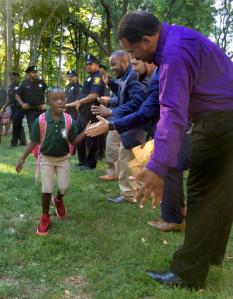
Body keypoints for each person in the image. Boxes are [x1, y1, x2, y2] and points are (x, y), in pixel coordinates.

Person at [87, 11, 233, 288]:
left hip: (219, 120)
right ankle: (208, 255)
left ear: (146, 39)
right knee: (219, 193)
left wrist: (158, 166)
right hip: (224, 116)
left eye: (133, 52)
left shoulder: (174, 55)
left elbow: (172, 113)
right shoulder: (178, 38)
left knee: (202, 191)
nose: (136, 59)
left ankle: (188, 273)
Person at [88, 59, 188, 231]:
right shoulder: (153, 75)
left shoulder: (155, 79)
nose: (134, 69)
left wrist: (111, 123)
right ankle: (180, 210)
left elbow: (143, 112)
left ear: (148, 62)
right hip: (176, 129)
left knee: (169, 171)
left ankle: (173, 220)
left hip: (173, 131)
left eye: (135, 63)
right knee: (174, 170)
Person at [16, 87, 88, 236]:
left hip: (63, 159)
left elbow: (73, 140)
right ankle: (45, 217)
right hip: (46, 159)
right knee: (46, 188)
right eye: (55, 99)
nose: (60, 102)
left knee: (64, 186)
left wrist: (85, 132)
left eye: (62, 98)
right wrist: (22, 158)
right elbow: (33, 142)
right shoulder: (41, 121)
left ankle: (58, 199)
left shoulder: (69, 120)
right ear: (48, 102)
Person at [92, 50, 148, 203]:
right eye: (111, 65)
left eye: (114, 65)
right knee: (137, 159)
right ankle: (140, 189)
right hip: (134, 124)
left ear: (125, 62)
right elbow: (124, 94)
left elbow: (137, 101)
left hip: (134, 125)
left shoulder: (133, 76)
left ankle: (128, 194)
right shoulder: (125, 76)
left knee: (125, 158)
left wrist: (111, 111)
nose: (112, 68)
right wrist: (109, 82)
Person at [66, 54, 105, 170]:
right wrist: (79, 102)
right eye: (87, 64)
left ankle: (90, 164)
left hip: (91, 111)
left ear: (97, 65)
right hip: (83, 113)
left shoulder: (97, 77)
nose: (88, 66)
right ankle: (82, 161)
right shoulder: (90, 77)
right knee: (79, 135)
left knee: (91, 136)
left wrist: (80, 102)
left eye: (90, 64)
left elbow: (94, 95)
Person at [15, 65, 47, 133]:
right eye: (33, 72)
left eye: (36, 72)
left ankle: (42, 143)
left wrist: (46, 104)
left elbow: (49, 93)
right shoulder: (24, 83)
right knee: (32, 130)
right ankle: (34, 143)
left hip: (41, 110)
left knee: (43, 129)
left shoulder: (42, 82)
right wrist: (22, 104)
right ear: (29, 73)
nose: (36, 74)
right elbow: (17, 95)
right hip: (30, 111)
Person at [7, 72, 27, 147]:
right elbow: (8, 99)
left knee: (15, 124)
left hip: (19, 108)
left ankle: (13, 142)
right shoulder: (10, 86)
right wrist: (3, 107)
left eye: (14, 77)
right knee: (18, 124)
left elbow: (25, 97)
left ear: (17, 77)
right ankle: (23, 141)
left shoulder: (21, 86)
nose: (12, 78)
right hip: (13, 108)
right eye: (11, 77)